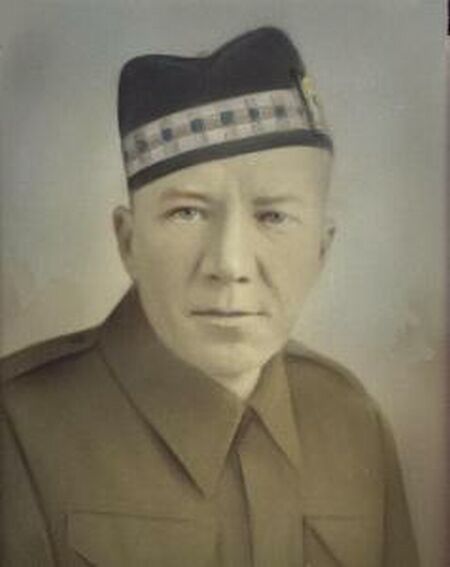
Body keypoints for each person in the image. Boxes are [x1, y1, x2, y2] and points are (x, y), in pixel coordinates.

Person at [1, 27, 419, 566]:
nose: (229, 265)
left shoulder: (353, 422)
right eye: (188, 213)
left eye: (273, 216)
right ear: (128, 241)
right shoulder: (19, 429)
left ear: (322, 247)